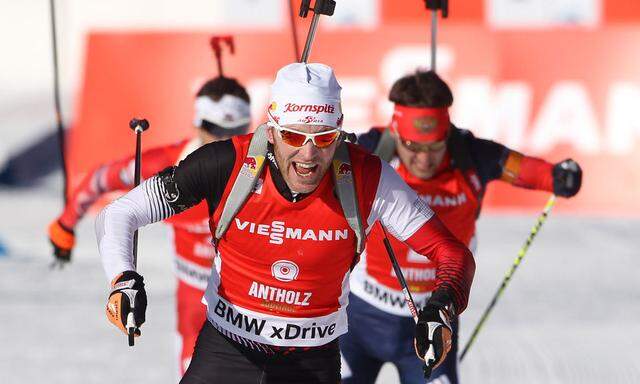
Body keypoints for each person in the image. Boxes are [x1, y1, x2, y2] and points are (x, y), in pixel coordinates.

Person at [95, 62, 476, 384]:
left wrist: (441, 306)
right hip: (227, 350)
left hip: (311, 361)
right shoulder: (226, 163)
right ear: (273, 128)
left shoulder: (367, 177)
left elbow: (451, 252)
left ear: (340, 129)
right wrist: (123, 278)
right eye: (295, 135)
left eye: (325, 138)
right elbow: (120, 214)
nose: (309, 154)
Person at [341, 70, 582, 384]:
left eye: (435, 147)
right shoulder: (369, 150)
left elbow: (527, 170)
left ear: (448, 133)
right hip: (361, 316)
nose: (424, 160)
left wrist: (560, 176)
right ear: (396, 131)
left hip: (433, 321)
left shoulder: (472, 154)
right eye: (414, 146)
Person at [48, 75, 251, 374]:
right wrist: (65, 225)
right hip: (195, 306)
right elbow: (98, 179)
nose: (223, 139)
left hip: (255, 303)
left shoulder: (266, 167)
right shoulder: (167, 166)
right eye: (214, 129)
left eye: (236, 130)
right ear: (196, 124)